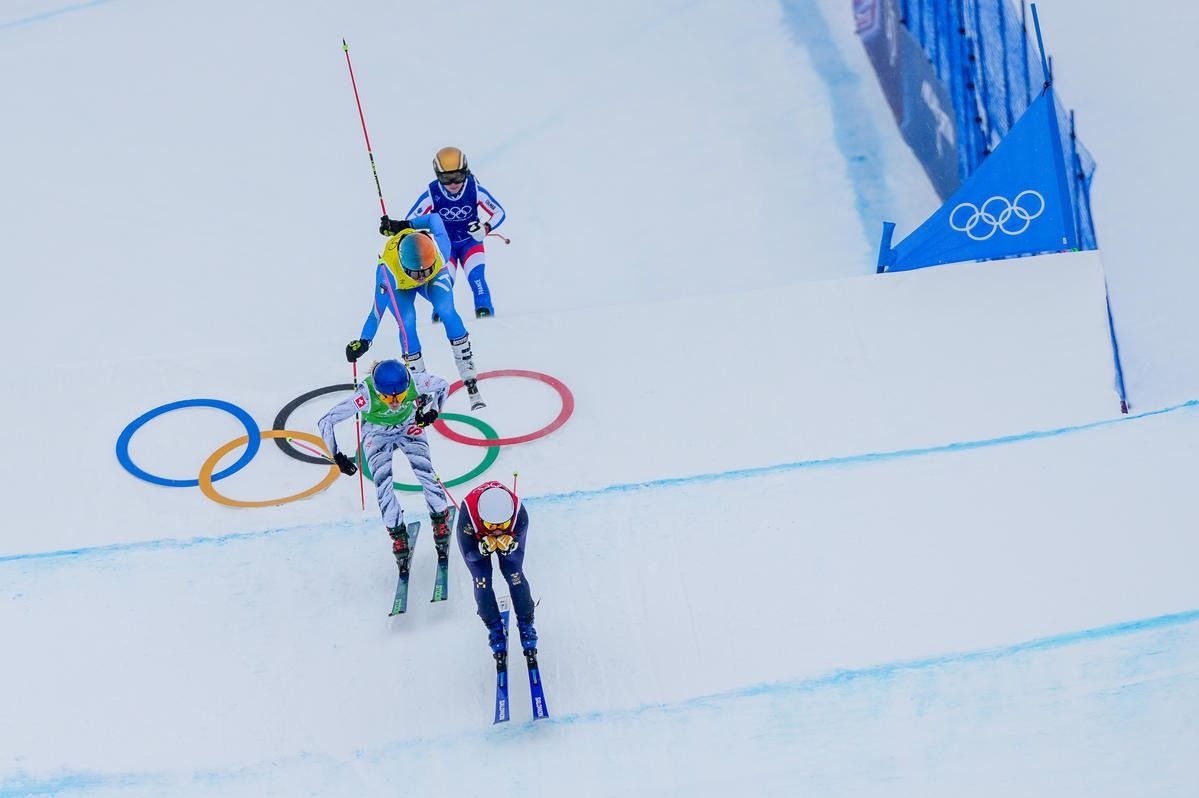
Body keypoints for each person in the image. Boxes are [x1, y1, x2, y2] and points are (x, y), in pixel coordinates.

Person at [318, 359, 454, 570]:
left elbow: (443, 386)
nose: (394, 402)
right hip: (376, 432)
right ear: (377, 391)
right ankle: (397, 534)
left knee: (425, 471)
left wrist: (433, 411)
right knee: (383, 484)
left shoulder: (415, 382)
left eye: (400, 396)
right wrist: (337, 456)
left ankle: (440, 518)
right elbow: (326, 421)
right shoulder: (365, 396)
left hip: (408, 424)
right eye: (387, 397)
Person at [345, 212, 485, 410]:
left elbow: (434, 218)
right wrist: (364, 341)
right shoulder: (387, 272)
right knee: (407, 322)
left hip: (434, 277)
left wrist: (406, 224)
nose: (421, 277)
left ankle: (466, 365)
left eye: (425, 271)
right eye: (416, 273)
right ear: (403, 265)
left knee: (446, 309)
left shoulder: (441, 250)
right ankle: (419, 381)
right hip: (400, 287)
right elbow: (376, 313)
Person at [398, 146, 506, 320]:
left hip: (470, 242)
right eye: (446, 179)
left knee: (477, 278)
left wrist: (485, 227)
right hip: (446, 247)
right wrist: (427, 231)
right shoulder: (432, 193)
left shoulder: (474, 189)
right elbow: (410, 220)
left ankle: (485, 313)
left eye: (458, 176)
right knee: (445, 281)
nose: (453, 184)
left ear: (466, 172)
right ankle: (440, 316)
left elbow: (499, 212)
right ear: (438, 176)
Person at [456, 480, 538, 664]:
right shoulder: (468, 515)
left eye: (503, 524)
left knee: (515, 576)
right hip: (476, 537)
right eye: (492, 526)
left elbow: (517, 557)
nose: (498, 530)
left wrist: (510, 548)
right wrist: (481, 550)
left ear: (510, 516)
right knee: (481, 582)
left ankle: (526, 624)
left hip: (501, 534)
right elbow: (469, 555)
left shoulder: (519, 515)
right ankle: (494, 629)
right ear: (482, 519)